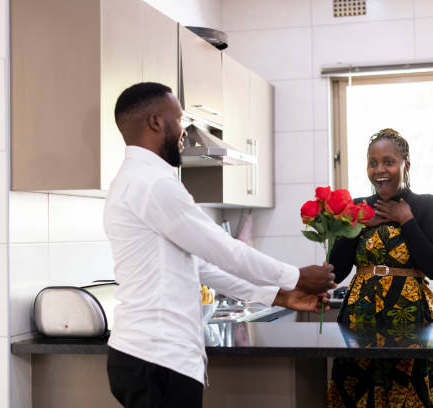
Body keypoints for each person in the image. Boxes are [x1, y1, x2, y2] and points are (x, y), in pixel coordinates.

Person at [103, 82, 336, 408]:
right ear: (156, 122)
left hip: (148, 357)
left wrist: (280, 295)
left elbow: (200, 265)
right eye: (179, 119)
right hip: (157, 358)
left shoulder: (136, 180)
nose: (184, 130)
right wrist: (294, 276)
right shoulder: (153, 184)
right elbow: (223, 250)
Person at [327, 128, 433, 408]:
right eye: (373, 162)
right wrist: (355, 225)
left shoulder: (426, 205)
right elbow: (338, 269)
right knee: (357, 393)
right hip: (359, 318)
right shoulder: (358, 207)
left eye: (388, 161)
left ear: (406, 164)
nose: (379, 170)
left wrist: (406, 219)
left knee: (405, 394)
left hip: (409, 319)